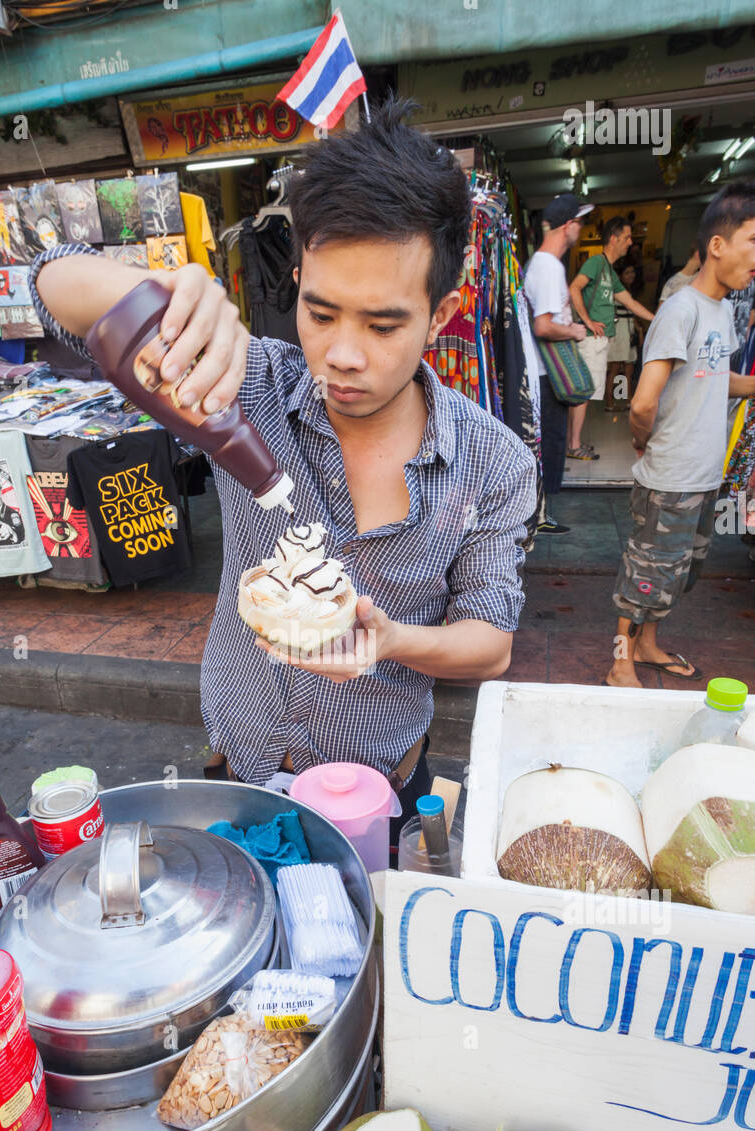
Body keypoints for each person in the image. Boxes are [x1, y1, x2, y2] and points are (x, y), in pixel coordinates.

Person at [30, 96, 536, 851]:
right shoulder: (247, 385)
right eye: (320, 311)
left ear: (443, 313)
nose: (343, 354)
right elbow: (52, 289)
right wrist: (159, 292)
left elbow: (490, 641)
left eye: (384, 323)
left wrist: (391, 639)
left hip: (379, 787)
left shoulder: (495, 462)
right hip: (240, 765)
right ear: (296, 279)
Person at [605, 180, 755, 688]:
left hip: (703, 473)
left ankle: (647, 645)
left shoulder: (723, 311)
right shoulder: (681, 309)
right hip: (670, 475)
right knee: (644, 574)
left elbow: (718, 378)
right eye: (753, 240)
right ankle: (620, 660)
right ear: (718, 245)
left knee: (679, 572)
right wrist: (643, 439)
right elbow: (644, 399)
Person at [523, 192, 592, 534]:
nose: (581, 228)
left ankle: (541, 513)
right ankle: (541, 516)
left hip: (544, 371)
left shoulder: (543, 264)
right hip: (547, 371)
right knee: (550, 441)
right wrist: (575, 331)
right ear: (569, 226)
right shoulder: (548, 266)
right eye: (580, 222)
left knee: (547, 441)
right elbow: (544, 325)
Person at [567, 217, 654, 460]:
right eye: (627, 237)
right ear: (613, 238)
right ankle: (574, 445)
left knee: (584, 393)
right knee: (584, 393)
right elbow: (574, 287)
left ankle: (574, 442)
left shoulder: (609, 271)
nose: (629, 243)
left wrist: (656, 318)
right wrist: (586, 320)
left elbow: (631, 302)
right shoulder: (596, 263)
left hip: (599, 341)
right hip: (590, 340)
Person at [604, 263, 640, 411]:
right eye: (627, 273)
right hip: (620, 332)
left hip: (628, 330)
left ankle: (626, 400)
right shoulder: (618, 291)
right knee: (616, 368)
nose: (631, 275)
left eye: (632, 272)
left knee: (627, 368)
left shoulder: (626, 290)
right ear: (620, 276)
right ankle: (611, 401)